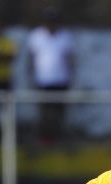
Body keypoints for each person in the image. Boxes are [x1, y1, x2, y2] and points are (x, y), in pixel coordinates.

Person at [26, 6, 75, 143]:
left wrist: (71, 78)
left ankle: (59, 140)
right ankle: (43, 140)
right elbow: (30, 60)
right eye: (49, 21)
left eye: (54, 21)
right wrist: (30, 79)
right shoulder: (36, 36)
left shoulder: (65, 35)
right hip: (42, 81)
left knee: (60, 113)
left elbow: (70, 59)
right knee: (43, 114)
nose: (51, 24)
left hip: (61, 81)